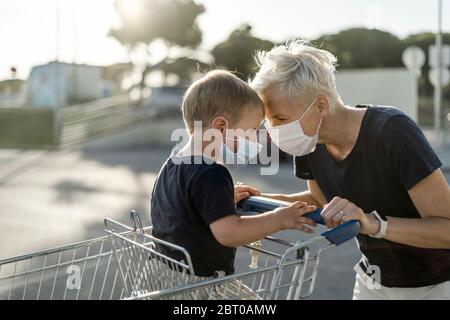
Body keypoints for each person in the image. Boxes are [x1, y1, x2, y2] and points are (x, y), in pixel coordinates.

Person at [249, 39, 450, 299]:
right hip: (372, 281)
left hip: (433, 287)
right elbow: (320, 200)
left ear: (321, 105)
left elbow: (446, 228)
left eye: (280, 119)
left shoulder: (392, 132)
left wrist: (373, 224)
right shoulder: (311, 142)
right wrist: (255, 198)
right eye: (269, 120)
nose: (273, 129)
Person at [150, 70, 317, 299]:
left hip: (166, 276)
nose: (255, 140)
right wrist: (280, 218)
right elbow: (229, 233)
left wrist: (221, 202)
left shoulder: (172, 163)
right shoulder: (212, 174)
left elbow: (184, 208)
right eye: (251, 131)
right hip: (200, 285)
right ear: (221, 127)